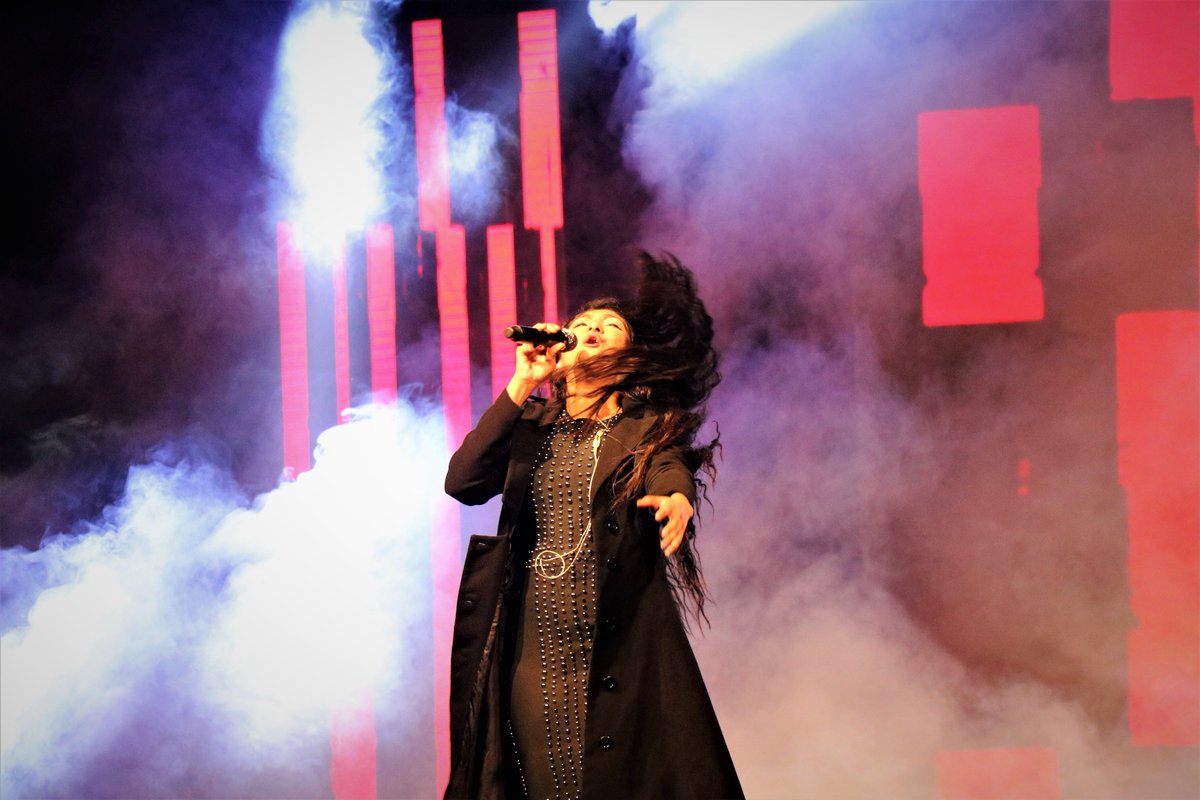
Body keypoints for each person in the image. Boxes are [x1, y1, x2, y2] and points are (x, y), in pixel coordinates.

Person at [443, 253, 743, 800]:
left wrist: (677, 498)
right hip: (534, 646)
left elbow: (668, 465)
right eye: (581, 325)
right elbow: (464, 482)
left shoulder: (647, 426)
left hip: (617, 640)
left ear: (628, 360)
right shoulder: (529, 423)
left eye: (609, 327)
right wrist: (522, 382)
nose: (591, 329)